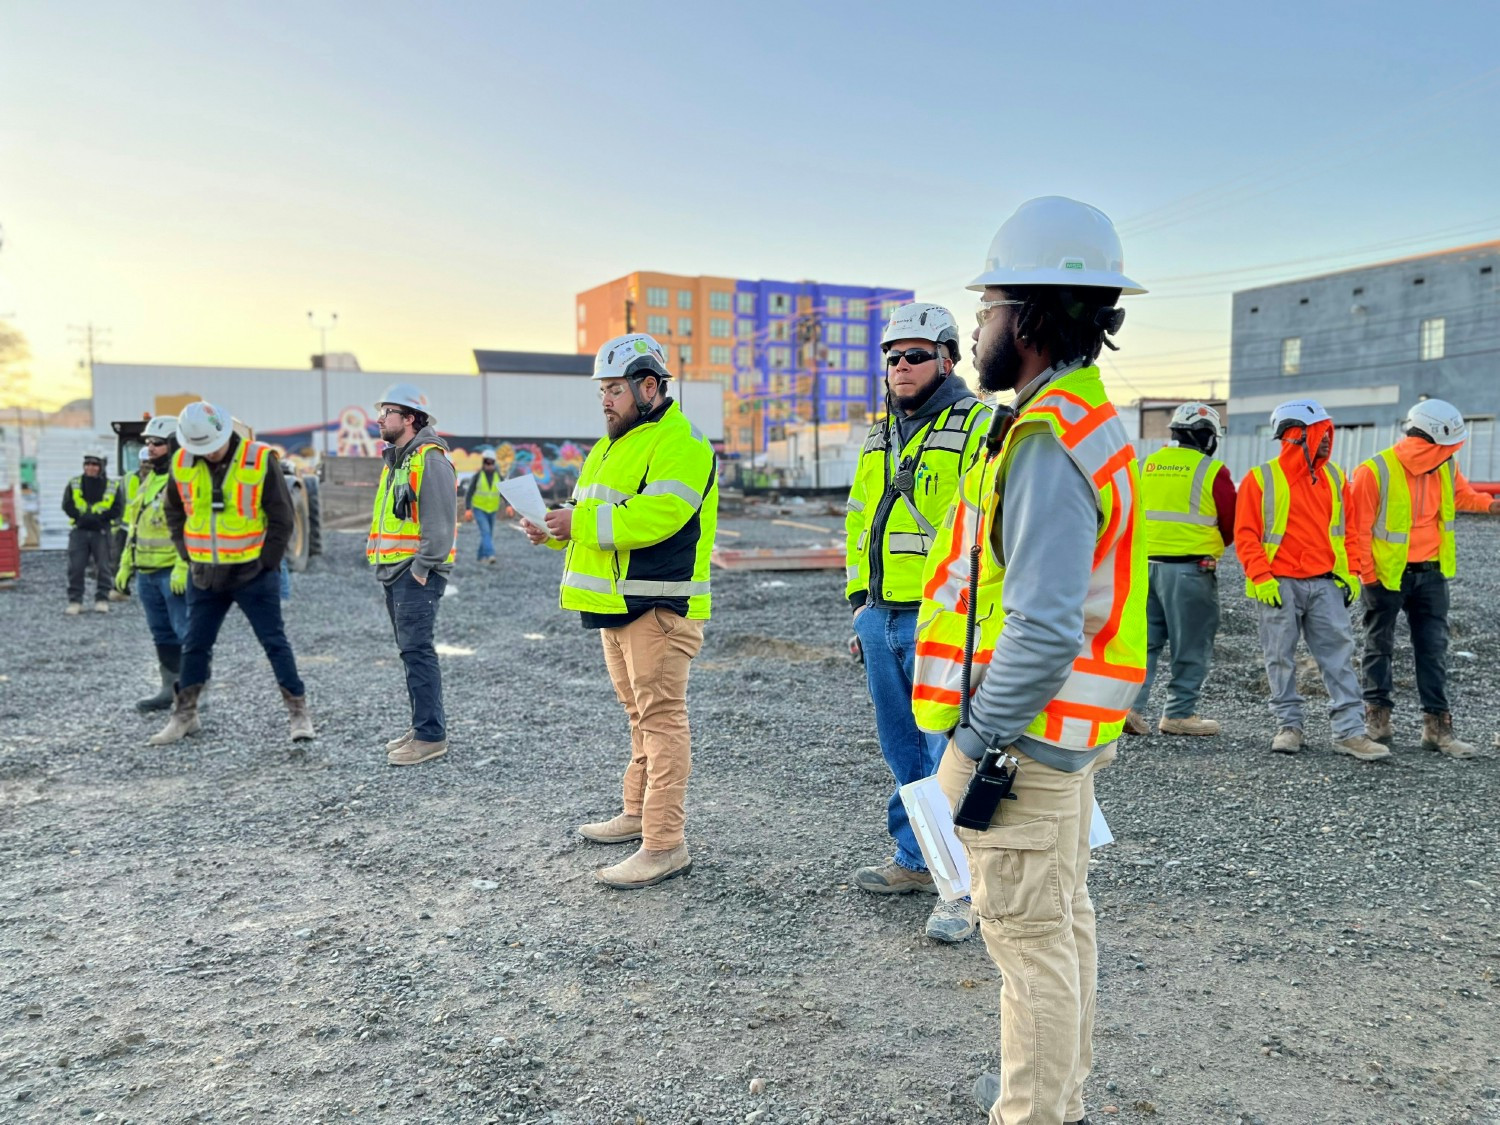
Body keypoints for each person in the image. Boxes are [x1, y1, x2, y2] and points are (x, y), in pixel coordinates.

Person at [913, 196, 1146, 1125]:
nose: (976, 329)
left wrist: (975, 736)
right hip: (1059, 738)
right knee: (1060, 925)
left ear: (1031, 318)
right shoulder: (1069, 418)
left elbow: (1045, 627)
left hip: (1024, 745)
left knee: (1026, 942)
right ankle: (1053, 1089)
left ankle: (1036, 1109)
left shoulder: (1049, 441)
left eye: (987, 309)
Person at [522, 333, 718, 890]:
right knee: (640, 719)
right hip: (619, 605)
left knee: (661, 721)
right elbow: (592, 515)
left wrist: (576, 524)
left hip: (658, 605)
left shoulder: (681, 440)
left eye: (614, 389)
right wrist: (554, 530)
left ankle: (664, 845)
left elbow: (660, 515)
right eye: (602, 390)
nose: (605, 400)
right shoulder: (611, 445)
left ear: (648, 386)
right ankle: (637, 816)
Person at [844, 301, 990, 944]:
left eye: (915, 355)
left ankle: (964, 888)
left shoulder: (979, 425)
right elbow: (858, 521)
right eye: (892, 357)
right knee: (903, 752)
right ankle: (915, 860)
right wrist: (860, 603)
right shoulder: (878, 435)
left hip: (945, 620)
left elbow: (988, 528)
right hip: (882, 617)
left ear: (948, 359)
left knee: (949, 756)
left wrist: (980, 622)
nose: (900, 367)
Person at [150, 401, 315, 746]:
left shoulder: (258, 460)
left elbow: (282, 517)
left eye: (211, 447)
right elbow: (174, 511)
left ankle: (298, 714)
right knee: (195, 646)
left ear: (224, 434)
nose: (207, 454)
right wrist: (187, 552)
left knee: (274, 643)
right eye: (200, 449)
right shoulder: (181, 462)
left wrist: (267, 563)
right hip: (206, 576)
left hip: (253, 574)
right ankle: (185, 715)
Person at [1233, 399, 1389, 761]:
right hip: (1278, 585)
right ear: (1295, 435)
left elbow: (1348, 531)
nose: (1326, 440)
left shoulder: (1335, 478)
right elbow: (1246, 535)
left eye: (1327, 433)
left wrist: (1351, 571)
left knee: (1339, 657)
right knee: (1279, 659)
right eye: (1320, 433)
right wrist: (1261, 576)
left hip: (1325, 584)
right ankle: (1289, 727)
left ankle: (1350, 732)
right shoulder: (1261, 479)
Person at [1348, 399, 1496, 758]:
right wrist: (1366, 574)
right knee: (1377, 647)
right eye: (1446, 446)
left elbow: (1462, 496)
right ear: (1427, 439)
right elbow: (1358, 529)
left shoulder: (1445, 465)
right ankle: (1377, 721)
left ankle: (1437, 729)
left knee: (1433, 650)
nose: (1450, 453)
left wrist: (1490, 504)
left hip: (1431, 573)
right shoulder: (1375, 471)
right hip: (1385, 576)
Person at [1124, 402, 1236, 738]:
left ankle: (1130, 708)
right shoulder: (1212, 471)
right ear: (1205, 436)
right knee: (1191, 645)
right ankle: (1179, 714)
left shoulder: (1145, 465)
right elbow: (1231, 522)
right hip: (1190, 571)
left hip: (1144, 569)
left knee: (1144, 644)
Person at [368, 383, 457, 766]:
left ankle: (430, 736)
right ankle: (422, 726)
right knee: (410, 652)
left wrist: (421, 568)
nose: (379, 418)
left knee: (418, 652)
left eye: (386, 412)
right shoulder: (400, 459)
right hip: (395, 571)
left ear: (408, 418)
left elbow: (440, 525)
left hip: (414, 572)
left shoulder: (429, 459)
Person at [114, 415, 190, 712]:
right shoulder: (149, 481)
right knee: (162, 634)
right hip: (147, 574)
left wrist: (184, 566)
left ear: (174, 444)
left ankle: (196, 690)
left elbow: (191, 526)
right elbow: (135, 528)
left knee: (187, 633)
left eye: (157, 443)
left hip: (173, 572)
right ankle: (169, 689)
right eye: (148, 443)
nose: (150, 449)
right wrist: (124, 566)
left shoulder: (182, 480)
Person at [62, 448, 123, 614]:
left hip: (101, 531)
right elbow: (67, 505)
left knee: (103, 568)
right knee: (75, 567)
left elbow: (117, 509)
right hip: (79, 530)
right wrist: (81, 518)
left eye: (95, 464)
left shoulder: (112, 485)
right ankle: (75, 601)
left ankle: (102, 599)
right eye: (87, 463)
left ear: (101, 466)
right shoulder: (74, 483)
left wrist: (99, 519)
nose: (91, 467)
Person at [463, 446, 502, 565]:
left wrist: (509, 505)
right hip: (479, 509)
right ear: (483, 462)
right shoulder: (478, 476)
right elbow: (469, 493)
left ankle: (480, 556)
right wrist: (468, 509)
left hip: (493, 510)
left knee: (488, 533)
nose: (489, 464)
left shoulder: (498, 476)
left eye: (491, 462)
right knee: (485, 532)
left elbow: (505, 492)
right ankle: (490, 554)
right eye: (487, 461)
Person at [20, 482, 41, 549]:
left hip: (29, 513)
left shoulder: (25, 494)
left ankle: (32, 541)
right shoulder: (34, 494)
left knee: (31, 526)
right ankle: (33, 541)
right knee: (31, 527)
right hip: (30, 513)